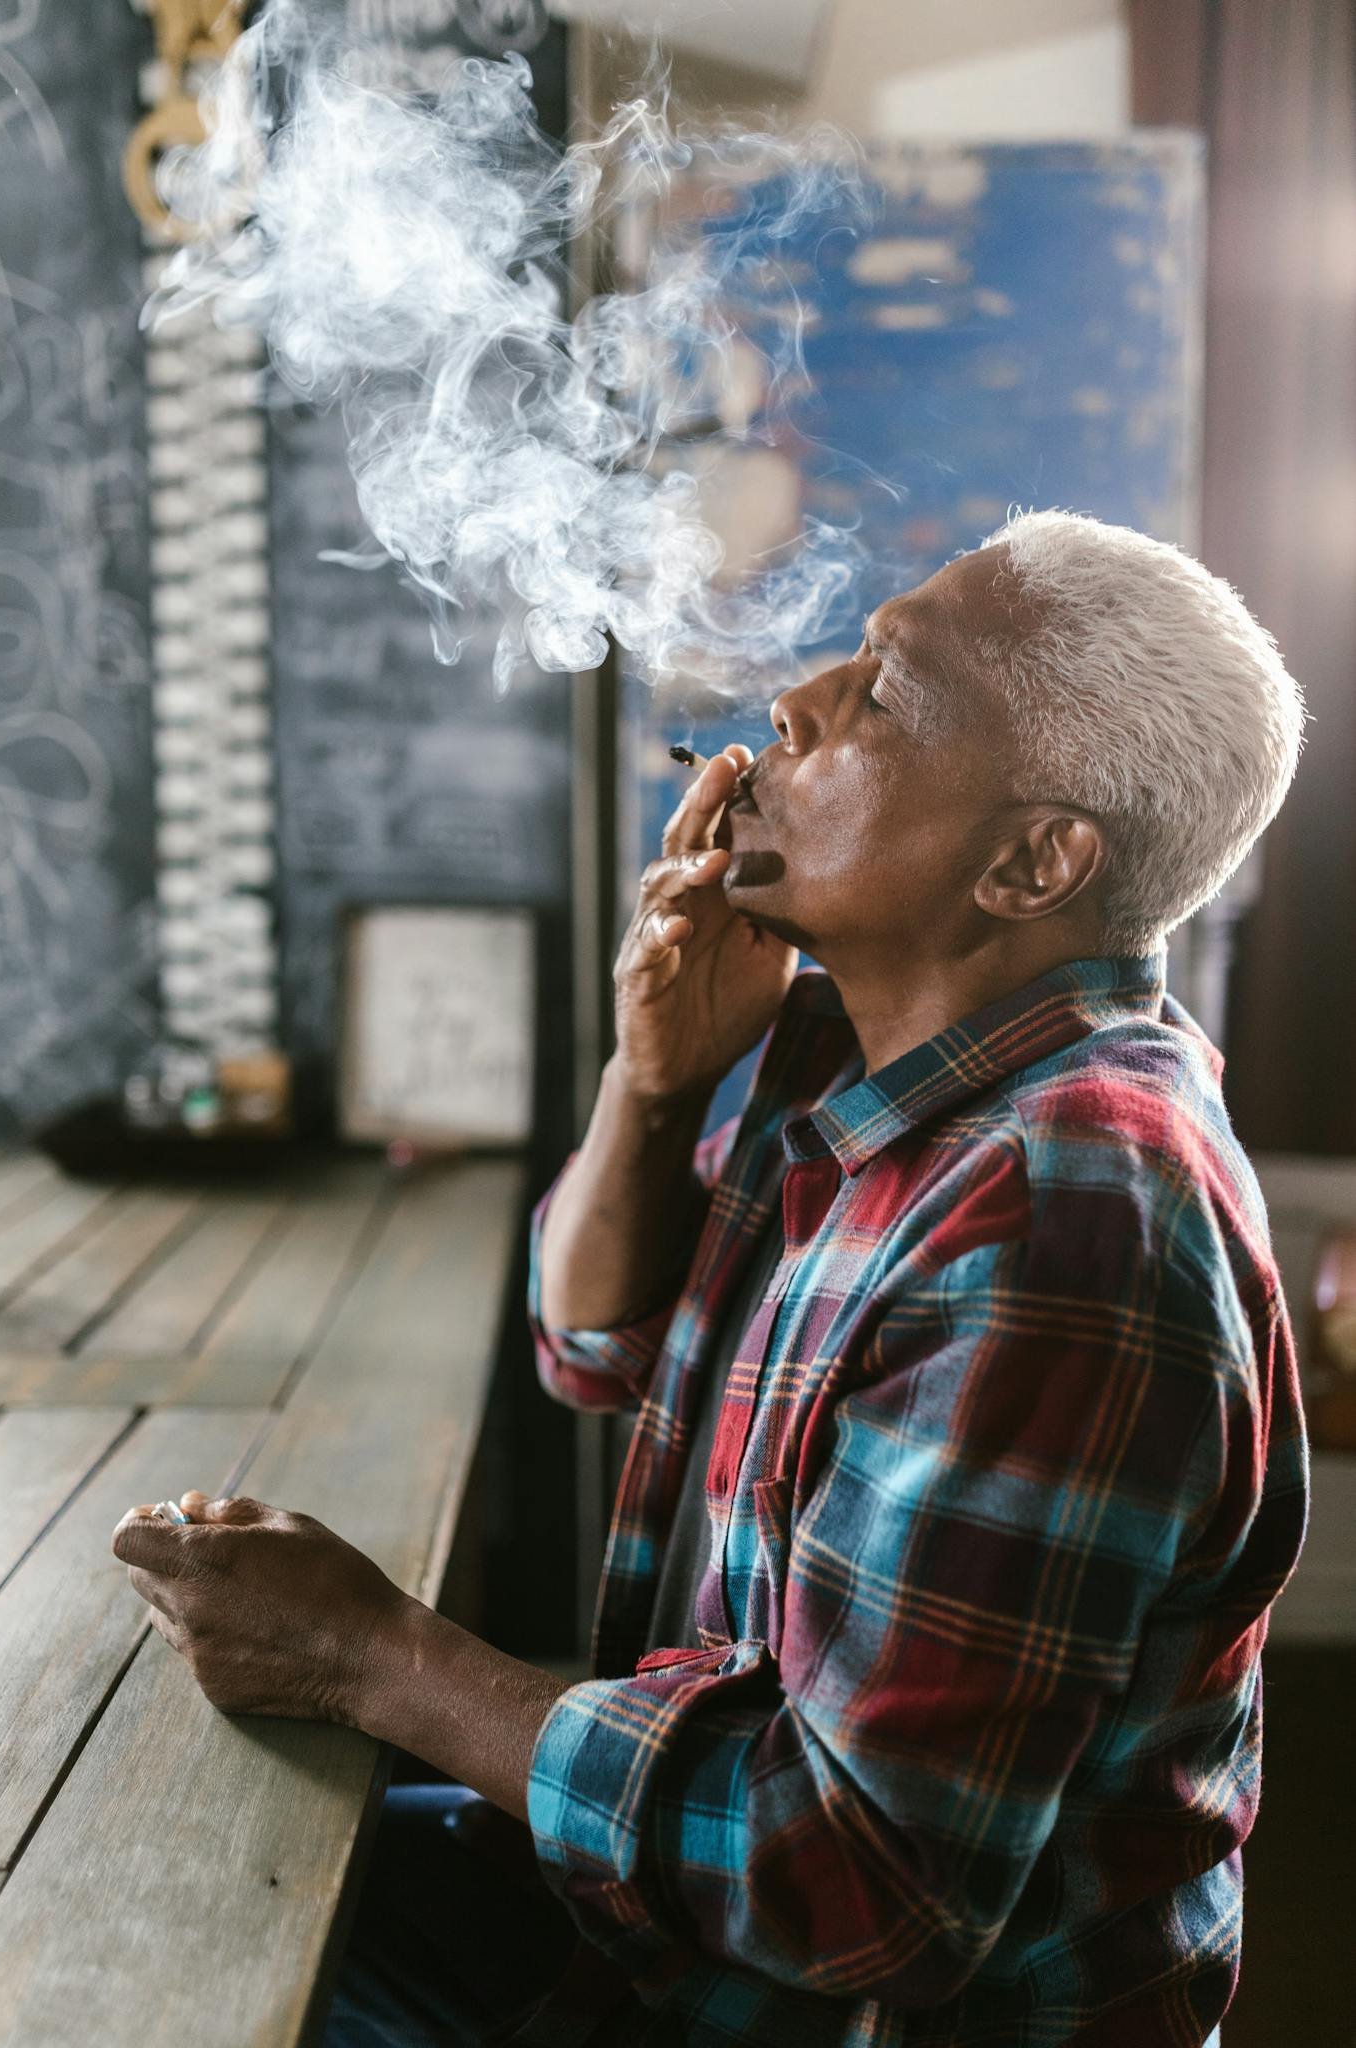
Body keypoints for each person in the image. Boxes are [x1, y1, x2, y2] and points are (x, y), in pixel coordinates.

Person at [114, 511, 1307, 2047]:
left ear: (1032, 862)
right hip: (667, 1948)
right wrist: (655, 1079)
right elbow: (591, 1347)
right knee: (186, 1894)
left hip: (803, 2001)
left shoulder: (1057, 1208)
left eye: (884, 689)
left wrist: (373, 1657)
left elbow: (855, 1883)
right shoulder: (869, 1058)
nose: (794, 703)